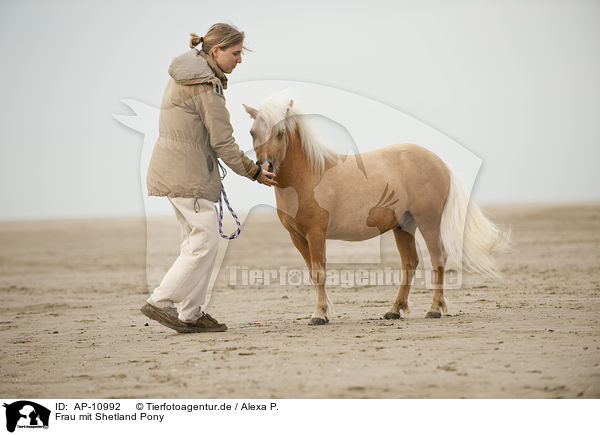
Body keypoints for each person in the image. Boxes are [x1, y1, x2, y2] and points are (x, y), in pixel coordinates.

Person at [140, 23, 277, 333]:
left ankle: (190, 314)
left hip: (178, 171)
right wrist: (254, 172)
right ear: (216, 51)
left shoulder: (186, 75)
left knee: (199, 241)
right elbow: (223, 141)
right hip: (188, 174)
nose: (240, 59)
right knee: (204, 241)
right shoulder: (206, 85)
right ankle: (162, 301)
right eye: (236, 53)